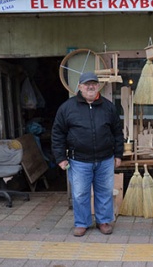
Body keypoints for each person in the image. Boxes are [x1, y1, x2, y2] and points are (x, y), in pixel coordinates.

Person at [52, 72, 124, 237]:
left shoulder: (108, 107)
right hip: (79, 160)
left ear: (98, 86)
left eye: (93, 84)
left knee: (105, 192)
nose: (90, 87)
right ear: (80, 87)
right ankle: (82, 223)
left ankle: (103, 221)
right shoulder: (67, 108)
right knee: (80, 193)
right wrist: (60, 158)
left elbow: (117, 133)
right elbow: (58, 134)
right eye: (86, 84)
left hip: (105, 159)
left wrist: (118, 154)